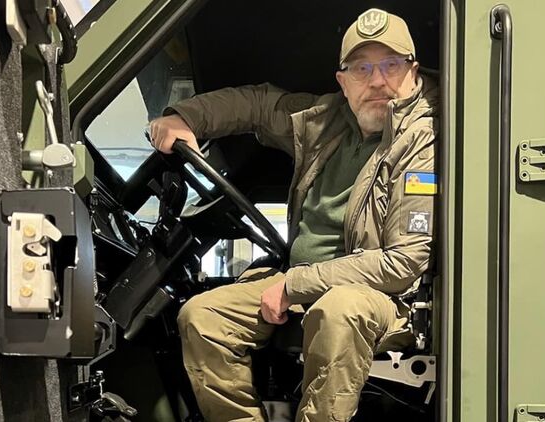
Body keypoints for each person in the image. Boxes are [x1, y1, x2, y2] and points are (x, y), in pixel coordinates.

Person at [149, 8, 438, 422]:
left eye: (391, 65)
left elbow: (404, 262)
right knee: (202, 317)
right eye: (362, 68)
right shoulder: (328, 121)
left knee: (339, 310)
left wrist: (293, 284)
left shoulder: (422, 140)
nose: (377, 80)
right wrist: (187, 117)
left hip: (383, 299)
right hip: (305, 283)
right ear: (343, 81)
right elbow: (258, 105)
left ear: (412, 71)